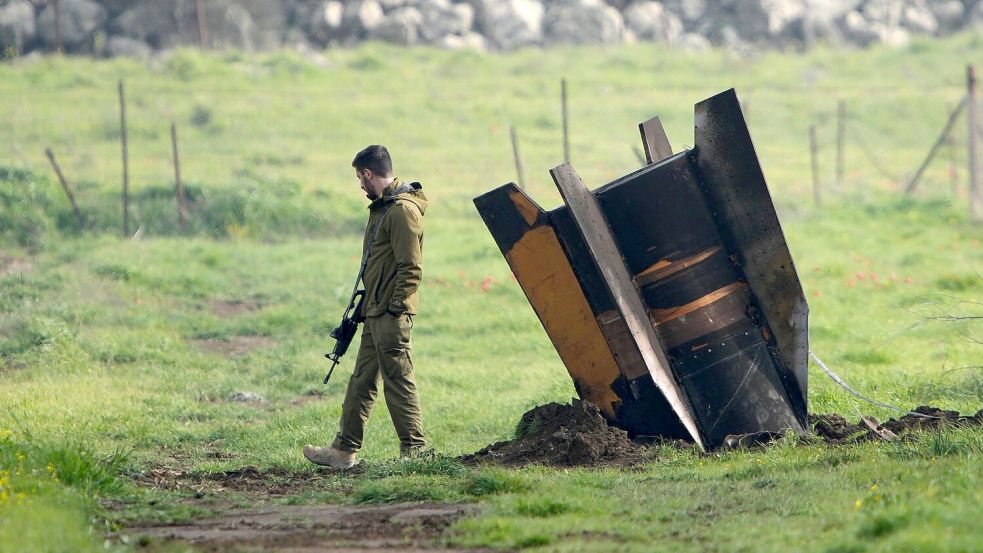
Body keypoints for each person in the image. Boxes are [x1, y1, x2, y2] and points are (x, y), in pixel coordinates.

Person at [304, 145, 428, 469]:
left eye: (360, 177)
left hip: (390, 315)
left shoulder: (402, 211)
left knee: (398, 380)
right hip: (375, 312)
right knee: (361, 381)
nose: (360, 185)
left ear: (369, 173)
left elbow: (411, 268)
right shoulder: (383, 208)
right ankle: (343, 451)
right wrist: (370, 307)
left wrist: (394, 307)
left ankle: (415, 452)